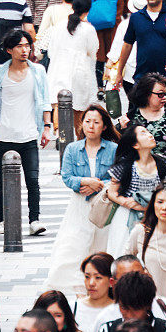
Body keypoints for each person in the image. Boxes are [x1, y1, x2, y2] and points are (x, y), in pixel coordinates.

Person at [0, 29, 51, 236]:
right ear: (9, 50)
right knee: (2, 181)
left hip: (29, 133)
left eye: (27, 45)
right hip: (5, 132)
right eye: (20, 46)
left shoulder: (38, 71)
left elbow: (45, 100)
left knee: (32, 179)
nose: (25, 50)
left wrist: (47, 127)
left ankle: (34, 219)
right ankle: (3, 220)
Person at [46, 105, 120, 291]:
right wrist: (84, 181)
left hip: (104, 203)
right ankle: (75, 284)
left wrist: (99, 184)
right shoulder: (73, 148)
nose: (91, 126)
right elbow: (67, 176)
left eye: (96, 122)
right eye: (87, 121)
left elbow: (118, 175)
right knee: (73, 244)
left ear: (104, 126)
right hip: (80, 204)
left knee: (103, 244)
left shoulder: (113, 148)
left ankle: (103, 282)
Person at [106, 125, 166, 260]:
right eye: (143, 133)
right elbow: (111, 192)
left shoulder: (164, 163)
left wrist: (148, 206)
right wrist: (128, 203)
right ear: (135, 144)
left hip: (157, 215)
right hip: (127, 217)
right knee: (124, 254)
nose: (150, 135)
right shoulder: (125, 166)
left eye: (149, 132)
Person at [122, 73, 166, 188]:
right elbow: (123, 150)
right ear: (146, 94)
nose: (164, 97)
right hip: (137, 179)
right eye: (160, 94)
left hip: (165, 179)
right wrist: (122, 129)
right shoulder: (131, 117)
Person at [47, 0, 99, 138]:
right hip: (80, 70)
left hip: (59, 67)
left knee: (59, 103)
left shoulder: (59, 26)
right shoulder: (88, 29)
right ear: (87, 11)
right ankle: (80, 136)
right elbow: (93, 50)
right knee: (79, 106)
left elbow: (51, 49)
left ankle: (59, 134)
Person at [126, 186, 166, 299]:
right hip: (147, 302)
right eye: (160, 202)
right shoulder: (141, 231)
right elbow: (125, 261)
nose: (164, 207)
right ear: (153, 204)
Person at [89, 0, 130, 90]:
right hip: (115, 27)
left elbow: (90, 4)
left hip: (99, 27)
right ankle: (109, 85)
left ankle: (99, 87)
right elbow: (127, 8)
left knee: (99, 58)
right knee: (112, 56)